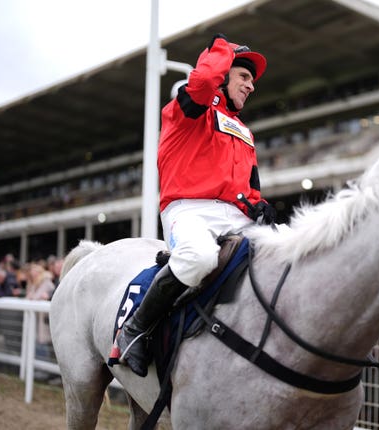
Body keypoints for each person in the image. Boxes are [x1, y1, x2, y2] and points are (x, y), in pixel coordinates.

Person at [114, 33, 273, 377]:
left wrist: (259, 205)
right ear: (224, 74)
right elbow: (202, 81)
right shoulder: (188, 105)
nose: (251, 86)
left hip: (234, 215)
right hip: (189, 209)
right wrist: (226, 50)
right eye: (244, 76)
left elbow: (250, 184)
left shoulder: (244, 130)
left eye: (252, 80)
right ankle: (135, 328)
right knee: (200, 257)